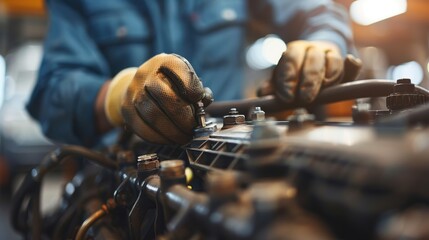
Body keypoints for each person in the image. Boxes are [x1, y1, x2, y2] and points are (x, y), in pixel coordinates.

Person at [27, 0, 358, 147]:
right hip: (125, 177)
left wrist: (323, 45)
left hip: (225, 162)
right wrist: (119, 96)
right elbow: (53, 93)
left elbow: (319, 13)